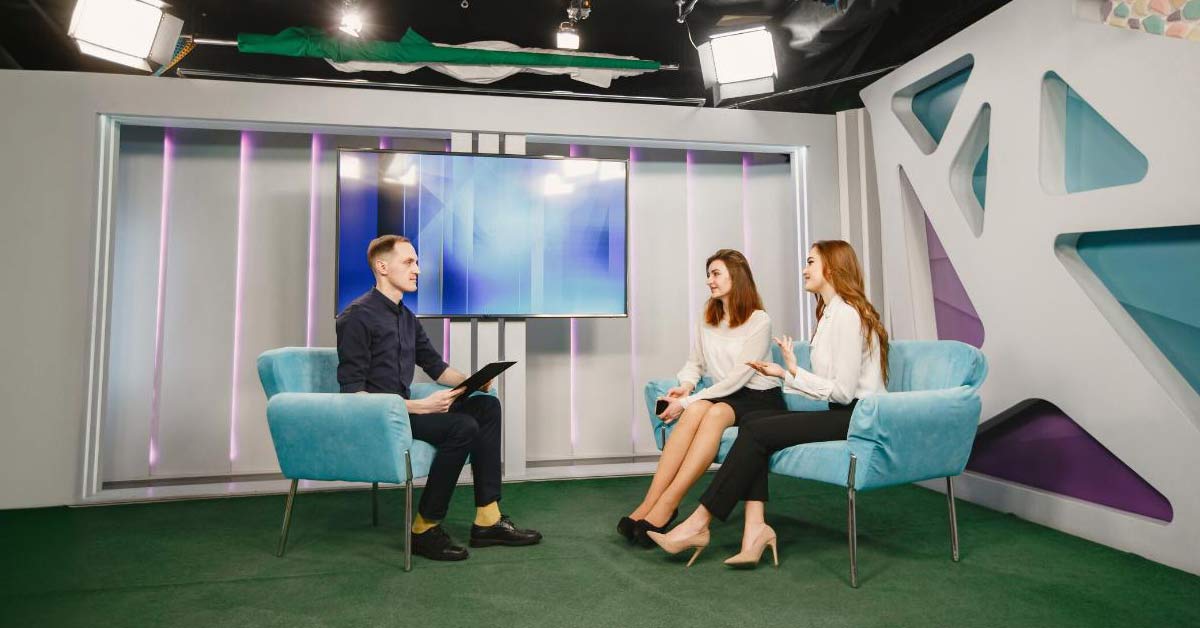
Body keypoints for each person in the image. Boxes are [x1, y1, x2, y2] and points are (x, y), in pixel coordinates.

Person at [647, 240, 889, 568]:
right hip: (843, 412)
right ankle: (755, 529)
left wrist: (789, 374)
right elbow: (831, 386)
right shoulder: (830, 314)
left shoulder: (846, 315)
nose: (804, 269)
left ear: (830, 269)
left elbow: (844, 393)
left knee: (758, 429)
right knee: (755, 425)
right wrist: (785, 372)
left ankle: (698, 523)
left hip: (859, 416)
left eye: (811, 262)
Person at [336, 234, 542, 562]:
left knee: (487, 407)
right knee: (461, 427)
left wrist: (472, 382)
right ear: (382, 266)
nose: (417, 269)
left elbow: (435, 367)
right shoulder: (355, 317)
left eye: (417, 262)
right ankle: (424, 527)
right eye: (408, 262)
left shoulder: (406, 317)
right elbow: (353, 394)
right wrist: (419, 406)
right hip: (381, 417)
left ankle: (488, 518)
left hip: (407, 410)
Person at [620, 249, 785, 546]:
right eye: (708, 274)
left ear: (737, 276)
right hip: (728, 395)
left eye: (716, 273)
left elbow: (739, 378)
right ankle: (649, 504)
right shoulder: (708, 316)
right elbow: (695, 362)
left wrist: (686, 402)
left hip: (760, 398)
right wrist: (686, 386)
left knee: (713, 412)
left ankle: (668, 505)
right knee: (698, 412)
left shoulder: (760, 321)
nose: (710, 280)